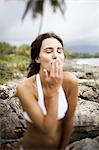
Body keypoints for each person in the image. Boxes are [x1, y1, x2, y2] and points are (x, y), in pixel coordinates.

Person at [16, 32, 78, 150]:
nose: (56, 55)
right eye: (49, 51)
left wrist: (63, 147)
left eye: (59, 51)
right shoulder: (25, 88)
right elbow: (47, 130)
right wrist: (53, 91)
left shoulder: (70, 82)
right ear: (37, 58)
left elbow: (68, 121)